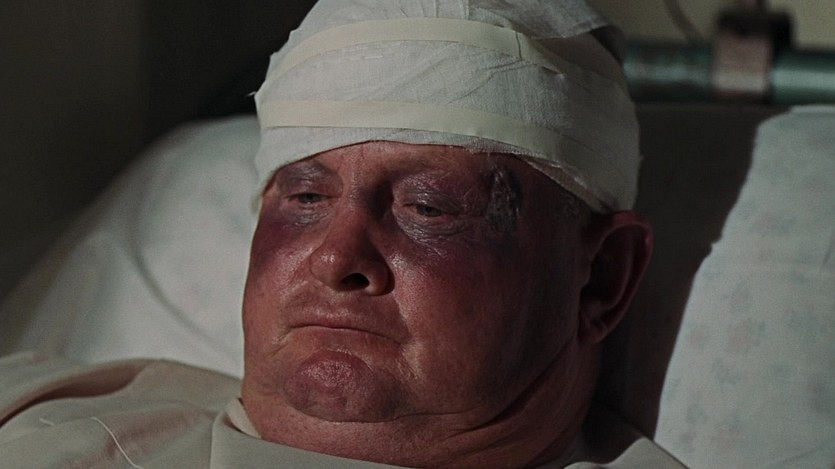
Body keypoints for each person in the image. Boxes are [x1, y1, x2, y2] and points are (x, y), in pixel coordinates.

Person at [0, 0, 681, 467]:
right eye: (305, 197)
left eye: (428, 208)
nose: (336, 257)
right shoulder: (33, 411)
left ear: (601, 277)